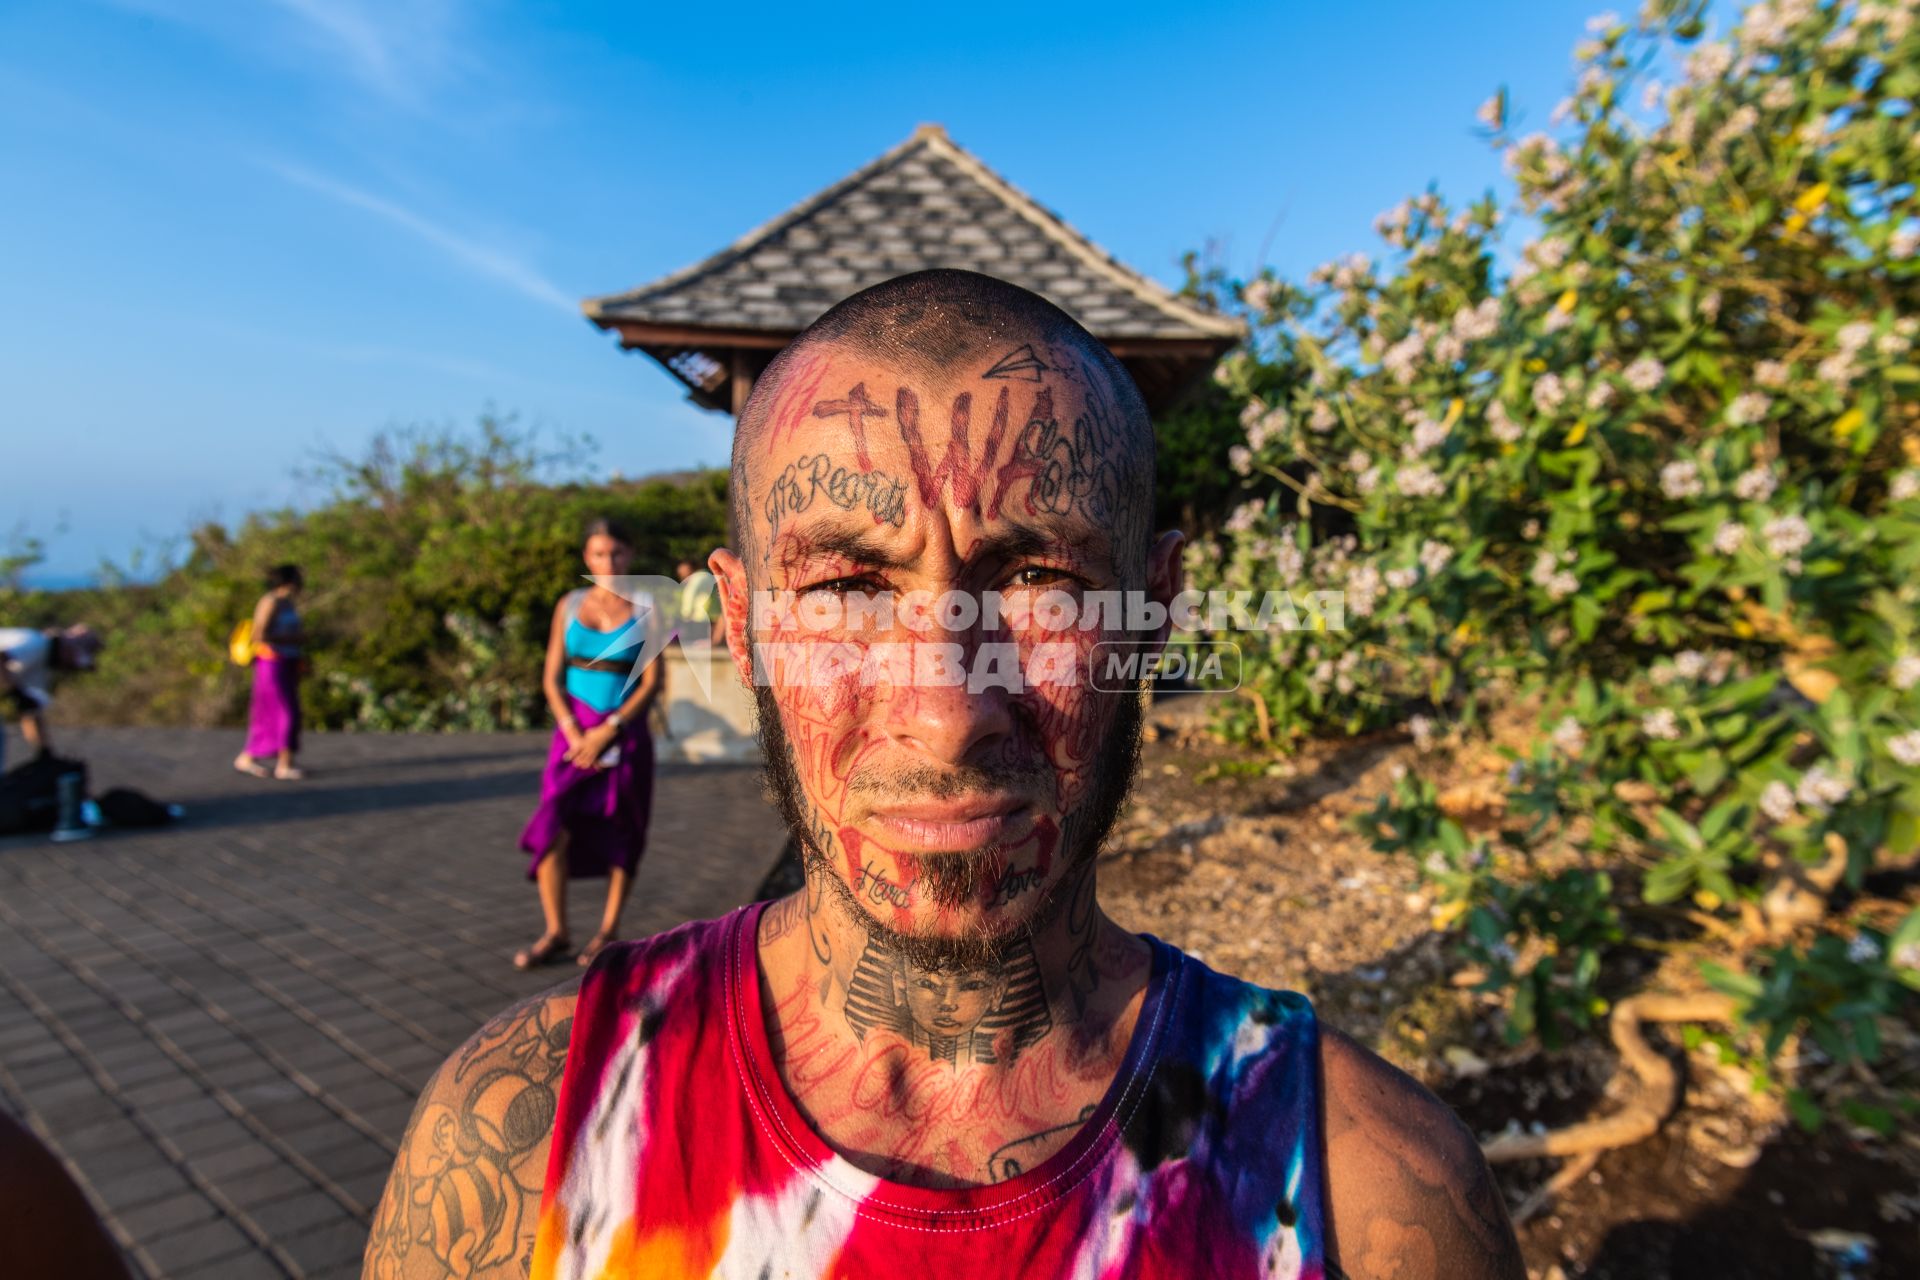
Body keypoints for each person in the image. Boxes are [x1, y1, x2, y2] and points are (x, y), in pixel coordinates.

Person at [366, 272, 1523, 1279]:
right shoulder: (520, 1141)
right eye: (848, 588)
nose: (946, 712)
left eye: (1035, 577)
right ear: (741, 619)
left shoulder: (1372, 1197)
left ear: (1157, 609)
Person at [512, 519, 665, 971]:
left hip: (623, 733)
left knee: (624, 828)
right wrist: (575, 731)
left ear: (630, 555)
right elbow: (551, 677)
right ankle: (556, 930)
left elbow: (653, 683)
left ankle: (608, 932)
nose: (608, 562)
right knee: (552, 822)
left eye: (616, 553)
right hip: (572, 734)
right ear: (586, 558)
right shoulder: (570, 604)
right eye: (599, 554)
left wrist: (609, 729)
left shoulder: (648, 606)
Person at [233, 564, 307, 780]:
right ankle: (283, 764)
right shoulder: (270, 602)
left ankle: (250, 757)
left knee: (284, 710)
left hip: (288, 662)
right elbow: (259, 635)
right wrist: (293, 640)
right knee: (283, 712)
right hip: (271, 663)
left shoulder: (288, 603)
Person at [0, 623, 102, 772]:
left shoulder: (40, 668)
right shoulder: (36, 643)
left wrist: (43, 751)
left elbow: (30, 711)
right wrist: (15, 691)